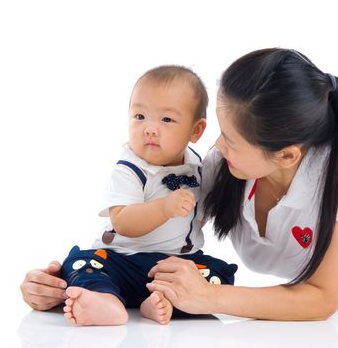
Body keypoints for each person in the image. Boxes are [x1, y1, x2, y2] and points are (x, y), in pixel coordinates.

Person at [21, 48, 338, 321]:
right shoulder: (226, 164)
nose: (215, 146)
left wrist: (209, 298)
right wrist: (76, 277)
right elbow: (141, 222)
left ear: (285, 154)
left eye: (230, 139)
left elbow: (322, 299)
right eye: (218, 128)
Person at [45, 65, 237, 326]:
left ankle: (163, 301)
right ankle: (105, 300)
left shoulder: (200, 168)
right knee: (80, 264)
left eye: (166, 120)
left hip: (175, 266)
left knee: (218, 274)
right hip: (121, 261)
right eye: (139, 116)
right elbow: (123, 221)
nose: (149, 129)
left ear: (196, 131)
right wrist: (164, 208)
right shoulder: (130, 169)